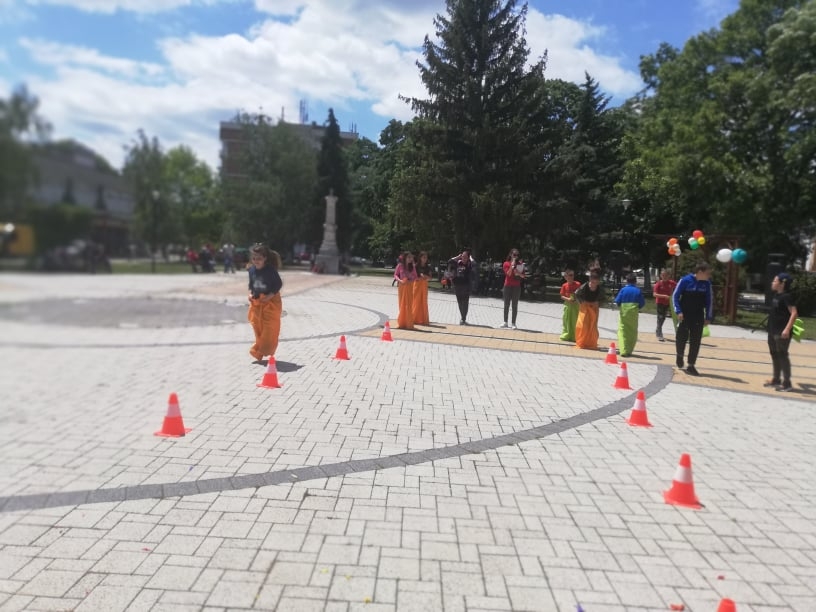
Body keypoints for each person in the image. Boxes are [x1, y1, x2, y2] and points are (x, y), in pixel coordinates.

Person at [673, 261, 713, 376]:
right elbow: (675, 296)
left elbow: (709, 301)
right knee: (681, 337)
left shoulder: (707, 284)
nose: (709, 276)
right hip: (684, 315)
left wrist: (708, 316)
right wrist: (678, 311)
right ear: (700, 272)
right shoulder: (685, 280)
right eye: (707, 273)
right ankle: (679, 355)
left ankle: (691, 365)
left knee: (696, 340)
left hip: (698, 315)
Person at [247, 244, 283, 363]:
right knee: (258, 328)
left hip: (271, 302)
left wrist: (269, 296)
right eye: (254, 258)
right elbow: (251, 285)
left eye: (259, 258)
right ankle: (260, 350)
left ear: (265, 258)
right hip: (258, 302)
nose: (256, 261)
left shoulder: (270, 270)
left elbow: (278, 284)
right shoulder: (251, 270)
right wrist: (250, 294)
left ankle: (261, 350)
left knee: (269, 329)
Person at [765, 273, 798, 392]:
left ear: (782, 284)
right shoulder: (777, 295)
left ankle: (787, 383)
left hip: (781, 332)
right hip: (772, 330)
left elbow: (794, 313)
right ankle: (776, 379)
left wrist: (787, 329)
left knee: (782, 355)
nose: (772, 282)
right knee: (774, 354)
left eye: (775, 281)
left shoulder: (787, 297)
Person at [614, 273, 646, 357]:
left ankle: (623, 350)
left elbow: (617, 301)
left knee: (622, 331)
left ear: (626, 281)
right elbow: (642, 303)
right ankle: (629, 350)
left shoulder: (623, 290)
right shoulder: (638, 291)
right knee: (632, 331)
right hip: (633, 314)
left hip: (624, 313)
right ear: (635, 281)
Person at [574, 270, 603, 350]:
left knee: (592, 326)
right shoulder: (584, 286)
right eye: (592, 282)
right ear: (590, 280)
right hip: (585, 307)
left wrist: (598, 302)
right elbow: (576, 294)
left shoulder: (600, 289)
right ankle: (581, 342)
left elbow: (603, 298)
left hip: (594, 308)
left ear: (598, 282)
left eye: (596, 282)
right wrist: (581, 302)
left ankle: (590, 342)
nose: (594, 284)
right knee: (582, 325)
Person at [448, 247, 477, 325]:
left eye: (465, 257)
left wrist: (471, 258)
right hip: (457, 285)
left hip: (466, 286)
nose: (463, 258)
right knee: (460, 302)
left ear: (468, 258)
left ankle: (463, 318)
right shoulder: (457, 263)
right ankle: (463, 317)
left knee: (465, 303)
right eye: (462, 256)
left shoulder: (469, 265)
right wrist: (457, 257)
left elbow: (475, 264)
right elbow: (449, 261)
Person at [500, 248, 524, 329]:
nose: (516, 256)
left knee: (514, 305)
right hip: (507, 286)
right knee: (506, 304)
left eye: (517, 255)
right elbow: (508, 274)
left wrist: (517, 271)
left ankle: (513, 323)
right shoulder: (506, 263)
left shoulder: (520, 264)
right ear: (510, 255)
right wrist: (512, 265)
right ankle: (505, 322)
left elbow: (523, 276)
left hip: (516, 287)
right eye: (514, 254)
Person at [394, 251, 417, 329]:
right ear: (405, 258)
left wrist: (411, 281)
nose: (410, 259)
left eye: (411, 257)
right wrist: (400, 280)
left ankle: (409, 323)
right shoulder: (400, 266)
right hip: (402, 286)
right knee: (402, 304)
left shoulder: (412, 266)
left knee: (409, 305)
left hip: (410, 287)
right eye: (409, 257)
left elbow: (415, 277)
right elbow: (395, 275)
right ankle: (402, 323)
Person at [653, 269, 677, 341]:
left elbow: (679, 287)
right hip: (660, 303)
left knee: (664, 318)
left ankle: (658, 329)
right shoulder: (658, 284)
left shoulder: (671, 283)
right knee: (660, 317)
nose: (664, 277)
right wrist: (664, 296)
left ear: (669, 276)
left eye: (666, 275)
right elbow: (654, 294)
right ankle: (659, 333)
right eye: (663, 275)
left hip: (668, 303)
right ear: (661, 276)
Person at [559, 268, 582, 341]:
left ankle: (575, 336)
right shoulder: (564, 285)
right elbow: (562, 296)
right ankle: (567, 334)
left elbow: (580, 294)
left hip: (576, 305)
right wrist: (568, 299)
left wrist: (576, 300)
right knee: (567, 320)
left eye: (571, 275)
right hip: (568, 305)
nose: (570, 277)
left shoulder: (578, 284)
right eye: (568, 275)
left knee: (575, 320)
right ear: (565, 277)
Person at [413, 251, 432, 325]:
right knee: (416, 301)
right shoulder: (416, 266)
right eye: (424, 257)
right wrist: (419, 277)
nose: (425, 259)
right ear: (420, 258)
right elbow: (412, 276)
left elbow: (430, 278)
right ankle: (413, 318)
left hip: (424, 285)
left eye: (426, 258)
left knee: (424, 302)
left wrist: (425, 276)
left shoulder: (428, 267)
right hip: (417, 285)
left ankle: (424, 319)